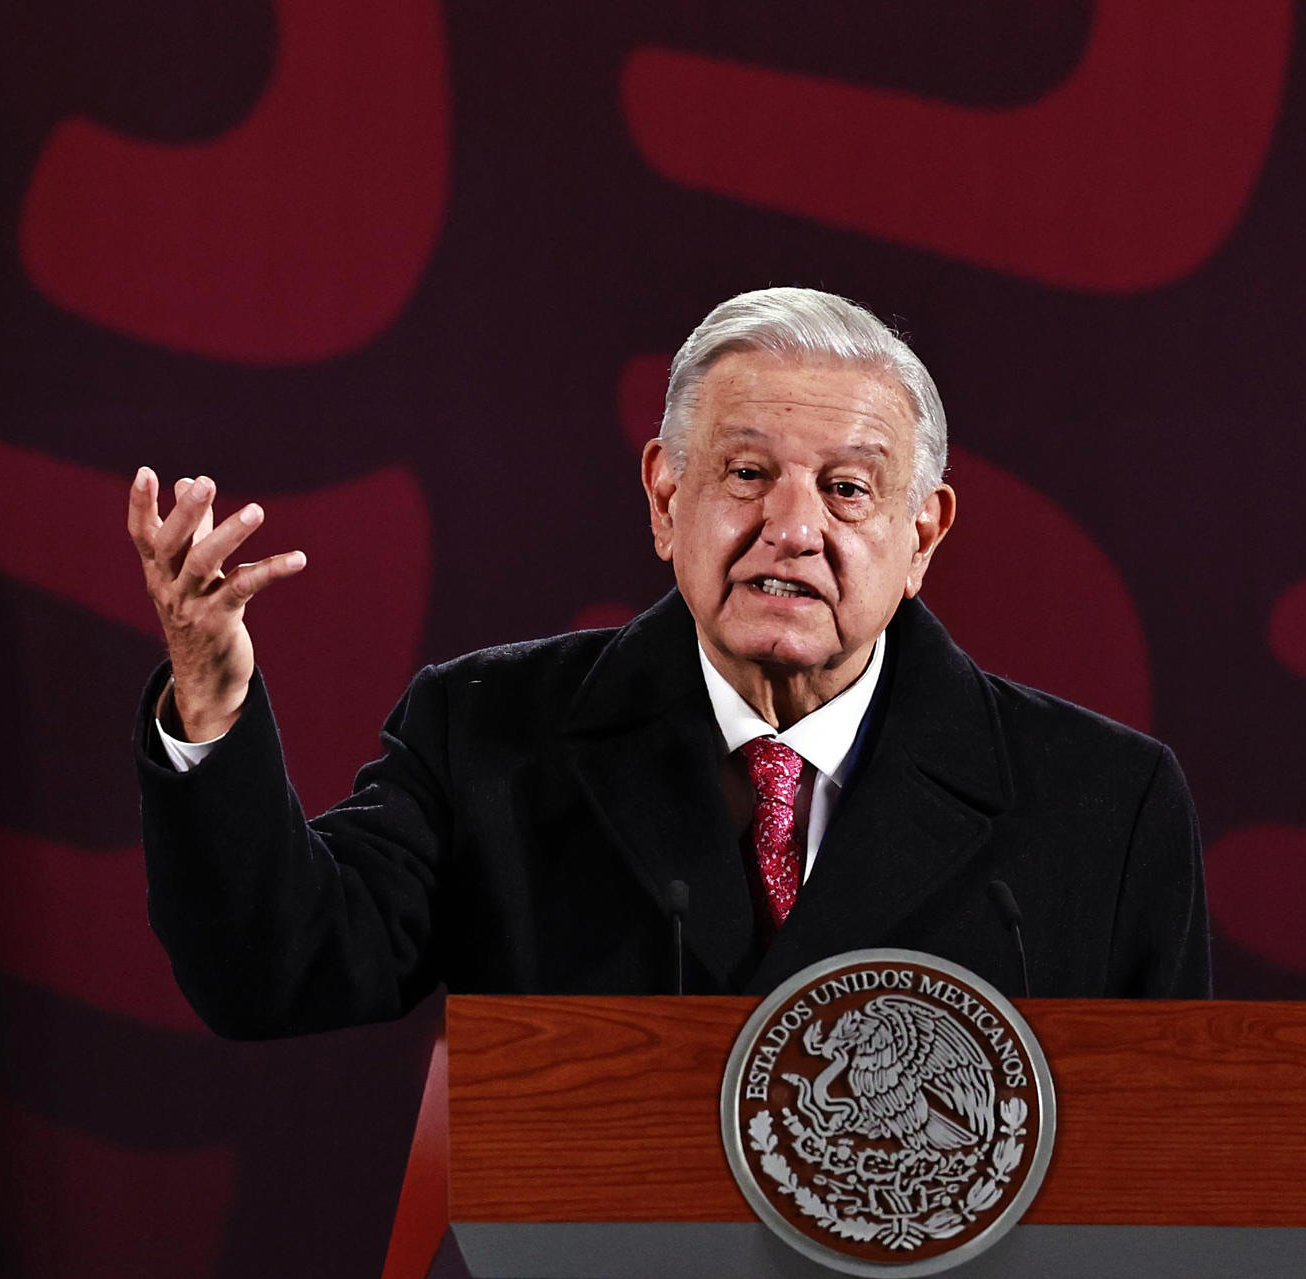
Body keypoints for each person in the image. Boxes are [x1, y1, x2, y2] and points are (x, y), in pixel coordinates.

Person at [125, 287, 1210, 1039]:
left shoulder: (1103, 805)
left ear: (922, 535)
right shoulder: (492, 732)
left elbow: (1172, 1173)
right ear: (664, 497)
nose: (793, 527)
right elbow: (276, 970)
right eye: (747, 472)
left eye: (847, 488)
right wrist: (212, 702)